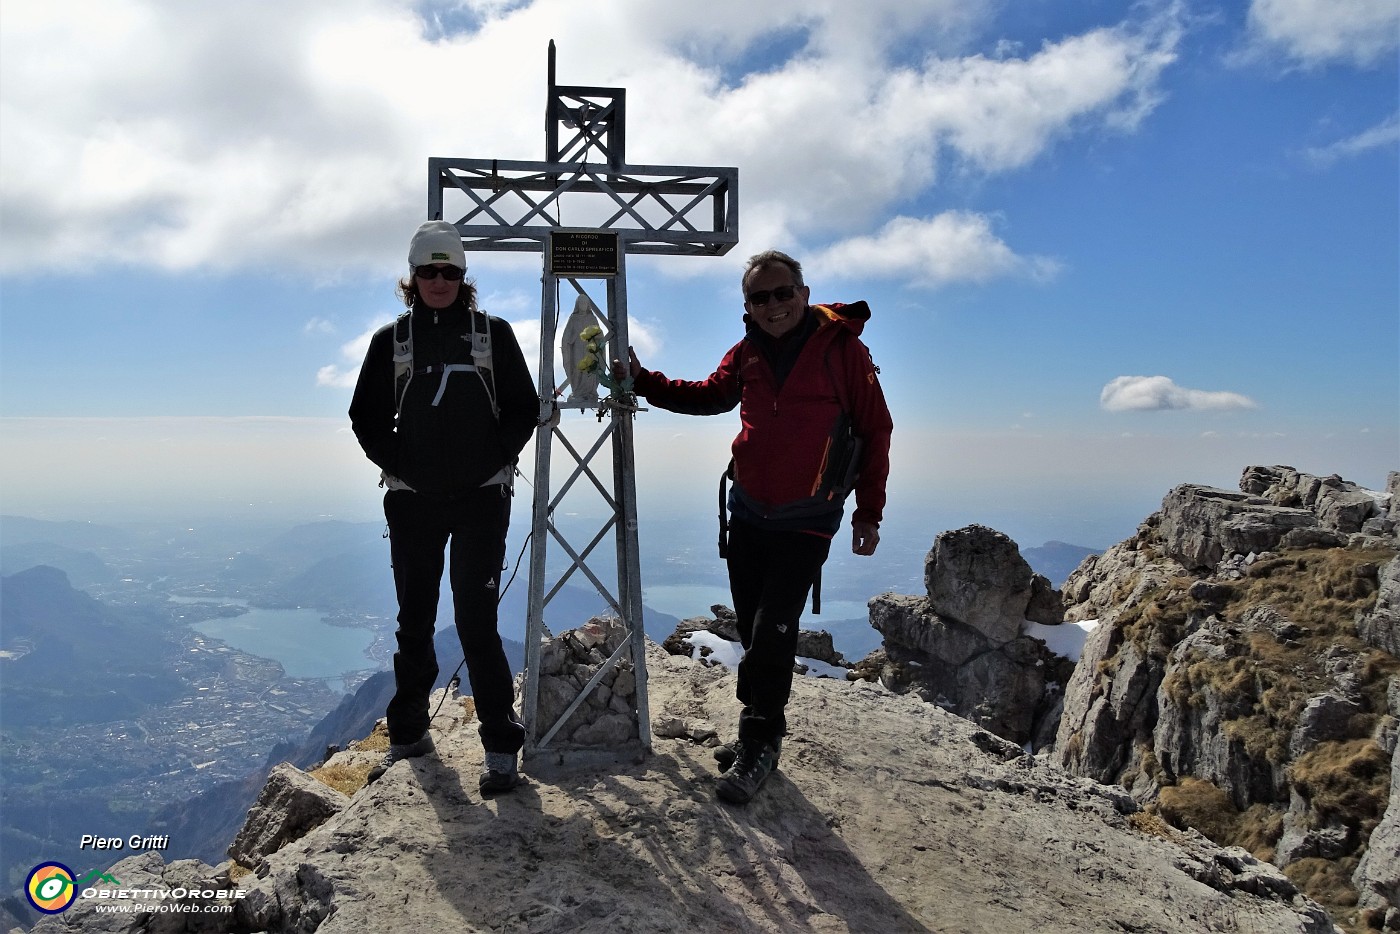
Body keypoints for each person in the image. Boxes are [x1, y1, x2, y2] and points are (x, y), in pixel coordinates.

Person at [616, 249, 893, 805]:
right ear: (747, 305)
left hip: (808, 519)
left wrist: (868, 514)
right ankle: (758, 727)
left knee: (772, 630)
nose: (772, 305)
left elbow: (875, 429)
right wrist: (643, 380)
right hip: (747, 513)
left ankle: (760, 742)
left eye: (782, 292)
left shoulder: (844, 351)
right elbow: (709, 396)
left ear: (804, 292)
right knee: (751, 627)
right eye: (758, 297)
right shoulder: (746, 354)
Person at [349, 220, 537, 794]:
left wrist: (492, 462)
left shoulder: (492, 335)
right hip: (414, 505)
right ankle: (409, 735)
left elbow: (523, 407)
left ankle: (500, 744)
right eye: (428, 271)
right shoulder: (392, 343)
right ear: (412, 277)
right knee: (415, 621)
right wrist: (404, 467)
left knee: (477, 623)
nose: (438, 280)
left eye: (448, 271)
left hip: (481, 502)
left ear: (463, 277)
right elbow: (365, 417)